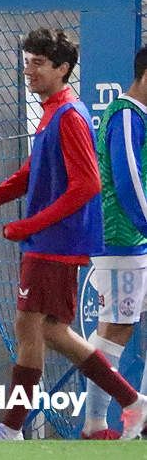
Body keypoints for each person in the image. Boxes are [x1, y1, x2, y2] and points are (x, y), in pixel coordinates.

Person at [0, 28, 147, 441]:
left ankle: (12, 428)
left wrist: (28, 225)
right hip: (52, 241)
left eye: (39, 62)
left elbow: (87, 185)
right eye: (27, 61)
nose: (29, 70)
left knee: (32, 327)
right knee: (50, 331)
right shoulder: (53, 112)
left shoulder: (70, 115)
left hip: (57, 243)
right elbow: (28, 175)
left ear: (62, 69)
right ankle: (130, 401)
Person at [81, 46, 147, 439]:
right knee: (115, 329)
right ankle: (94, 425)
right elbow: (127, 183)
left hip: (137, 239)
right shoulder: (125, 114)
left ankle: (138, 420)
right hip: (121, 239)